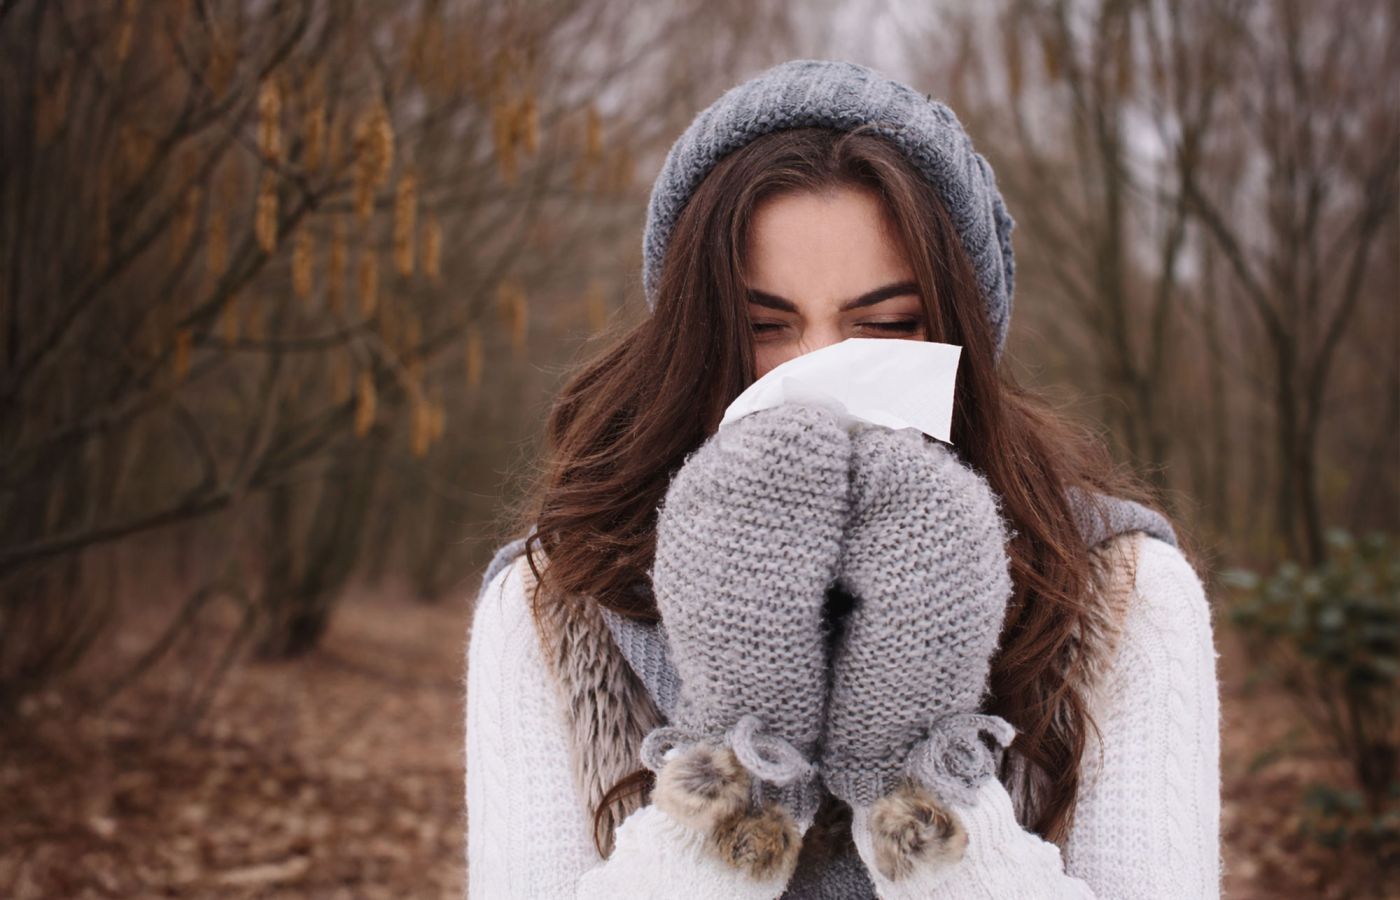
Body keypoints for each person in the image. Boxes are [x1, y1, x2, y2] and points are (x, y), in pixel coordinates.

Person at [464, 58, 1221, 898]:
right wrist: (738, 767)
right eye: (761, 325)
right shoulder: (554, 603)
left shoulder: (1121, 592)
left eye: (887, 323)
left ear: (960, 330)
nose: (817, 374)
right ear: (693, 338)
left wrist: (918, 781)